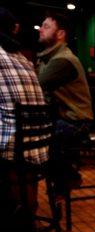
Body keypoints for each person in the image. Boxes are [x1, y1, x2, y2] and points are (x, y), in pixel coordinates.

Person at [36, 12, 94, 193]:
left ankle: (65, 182)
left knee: (44, 139)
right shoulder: (50, 58)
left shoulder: (63, 60)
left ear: (60, 34)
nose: (40, 29)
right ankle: (64, 179)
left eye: (46, 26)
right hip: (66, 119)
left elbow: (37, 86)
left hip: (77, 121)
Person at [0, 7, 48, 220]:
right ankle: (24, 211)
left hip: (13, 149)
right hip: (39, 147)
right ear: (15, 29)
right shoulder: (24, 59)